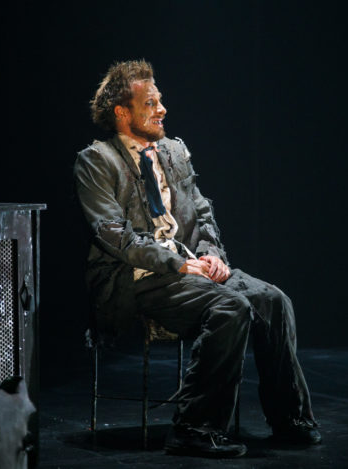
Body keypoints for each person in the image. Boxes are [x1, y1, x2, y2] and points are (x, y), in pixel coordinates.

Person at [74, 59, 320, 458]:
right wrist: (177, 263)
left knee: (273, 301)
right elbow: (112, 233)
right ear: (122, 112)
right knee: (231, 308)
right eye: (150, 103)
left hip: (190, 265)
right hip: (136, 277)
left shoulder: (173, 151)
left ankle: (289, 418)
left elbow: (203, 213)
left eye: (160, 100)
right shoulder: (97, 160)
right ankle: (194, 427)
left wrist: (211, 254)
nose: (162, 109)